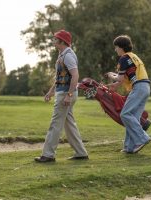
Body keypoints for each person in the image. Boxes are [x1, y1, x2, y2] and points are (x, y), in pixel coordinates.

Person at [35, 30, 88, 162]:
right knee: (69, 124)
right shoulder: (62, 55)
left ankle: (48, 155)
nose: (53, 41)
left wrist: (69, 95)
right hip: (63, 92)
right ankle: (81, 153)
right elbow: (60, 77)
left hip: (66, 94)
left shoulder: (68, 56)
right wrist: (51, 91)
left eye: (55, 39)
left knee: (55, 123)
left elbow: (75, 75)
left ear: (62, 41)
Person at [106, 35, 151, 154]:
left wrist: (111, 75)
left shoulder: (123, 58)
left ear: (121, 47)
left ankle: (142, 138)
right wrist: (115, 85)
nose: (115, 50)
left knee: (125, 114)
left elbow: (119, 78)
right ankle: (129, 147)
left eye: (116, 47)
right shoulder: (134, 56)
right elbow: (123, 79)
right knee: (133, 117)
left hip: (138, 87)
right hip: (145, 87)